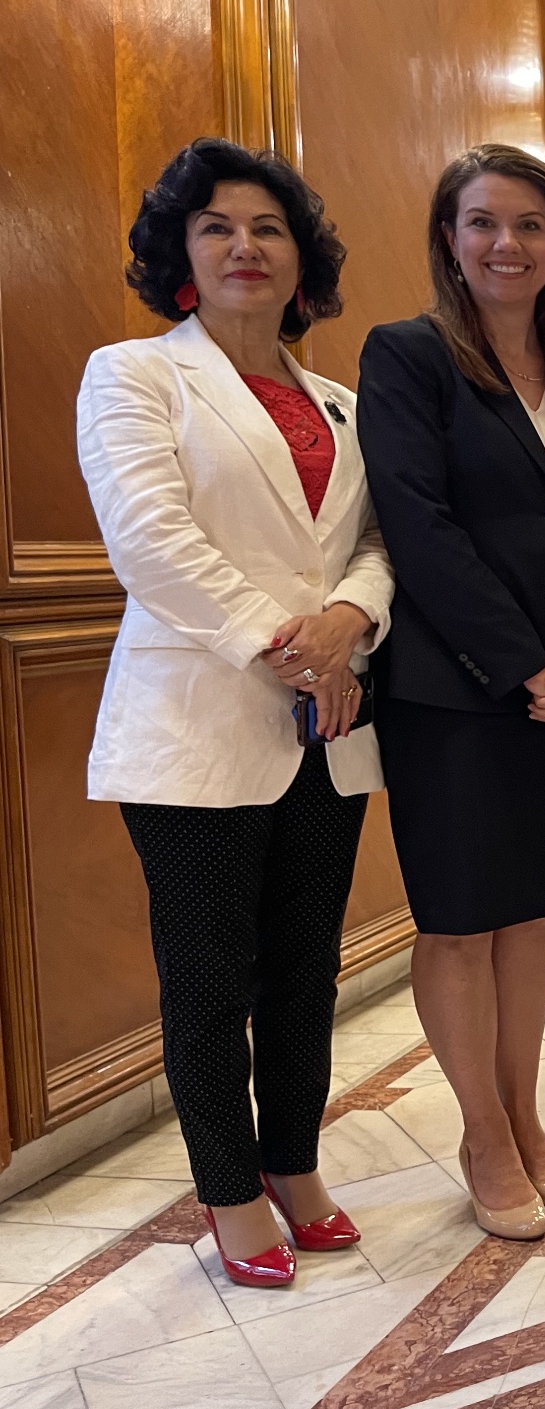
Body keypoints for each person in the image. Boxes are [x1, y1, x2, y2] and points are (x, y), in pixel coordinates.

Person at [78, 138, 391, 1287]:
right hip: (197, 730)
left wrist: (346, 625)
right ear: (181, 256)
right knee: (208, 979)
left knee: (305, 971)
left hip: (330, 726)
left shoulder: (343, 404)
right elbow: (150, 540)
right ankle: (227, 1190)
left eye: (267, 229)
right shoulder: (134, 376)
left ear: (301, 259)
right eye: (217, 227)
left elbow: (373, 545)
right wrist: (285, 646)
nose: (244, 246)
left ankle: (295, 1164)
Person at [357, 144, 545, 1242]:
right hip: (455, 694)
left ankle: (525, 1118)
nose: (506, 244)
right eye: (482, 223)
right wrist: (523, 662)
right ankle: (480, 1134)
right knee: (462, 922)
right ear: (449, 241)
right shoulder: (408, 356)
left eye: (528, 225)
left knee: (529, 921)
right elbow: (416, 528)